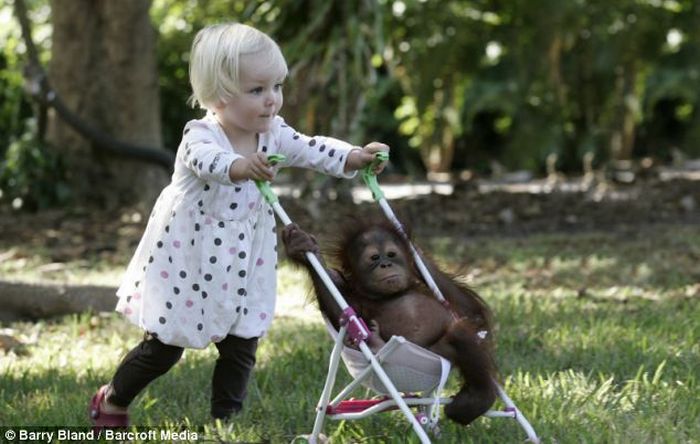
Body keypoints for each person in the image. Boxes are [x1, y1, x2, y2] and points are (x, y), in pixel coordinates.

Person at [88, 22, 388, 427]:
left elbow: (310, 147)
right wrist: (240, 166)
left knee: (242, 341)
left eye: (277, 87)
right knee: (166, 346)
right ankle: (113, 399)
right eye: (257, 90)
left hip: (244, 259)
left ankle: (223, 422)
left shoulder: (273, 133)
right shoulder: (200, 135)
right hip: (189, 260)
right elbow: (207, 163)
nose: (273, 101)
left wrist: (353, 157)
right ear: (218, 96)